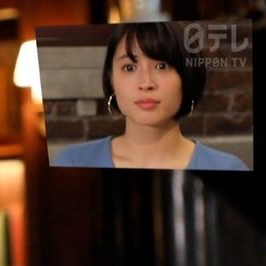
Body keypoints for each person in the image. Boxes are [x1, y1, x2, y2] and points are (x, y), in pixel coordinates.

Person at [52, 21, 249, 170]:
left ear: (187, 76)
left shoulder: (229, 167)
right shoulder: (72, 161)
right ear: (111, 79)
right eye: (129, 67)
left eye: (162, 66)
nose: (146, 83)